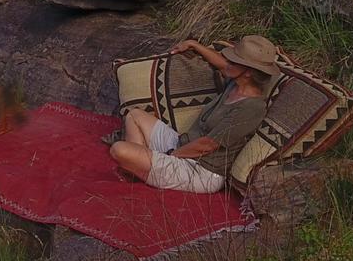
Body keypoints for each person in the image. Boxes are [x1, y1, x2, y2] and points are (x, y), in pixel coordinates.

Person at [110, 35, 282, 193]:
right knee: (134, 115)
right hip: (182, 144)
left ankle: (142, 167)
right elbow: (221, 64)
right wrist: (194, 45)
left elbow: (208, 145)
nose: (227, 61)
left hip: (201, 170)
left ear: (249, 72)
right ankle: (142, 168)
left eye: (234, 61)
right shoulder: (236, 83)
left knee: (119, 150)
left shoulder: (251, 108)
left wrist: (170, 155)